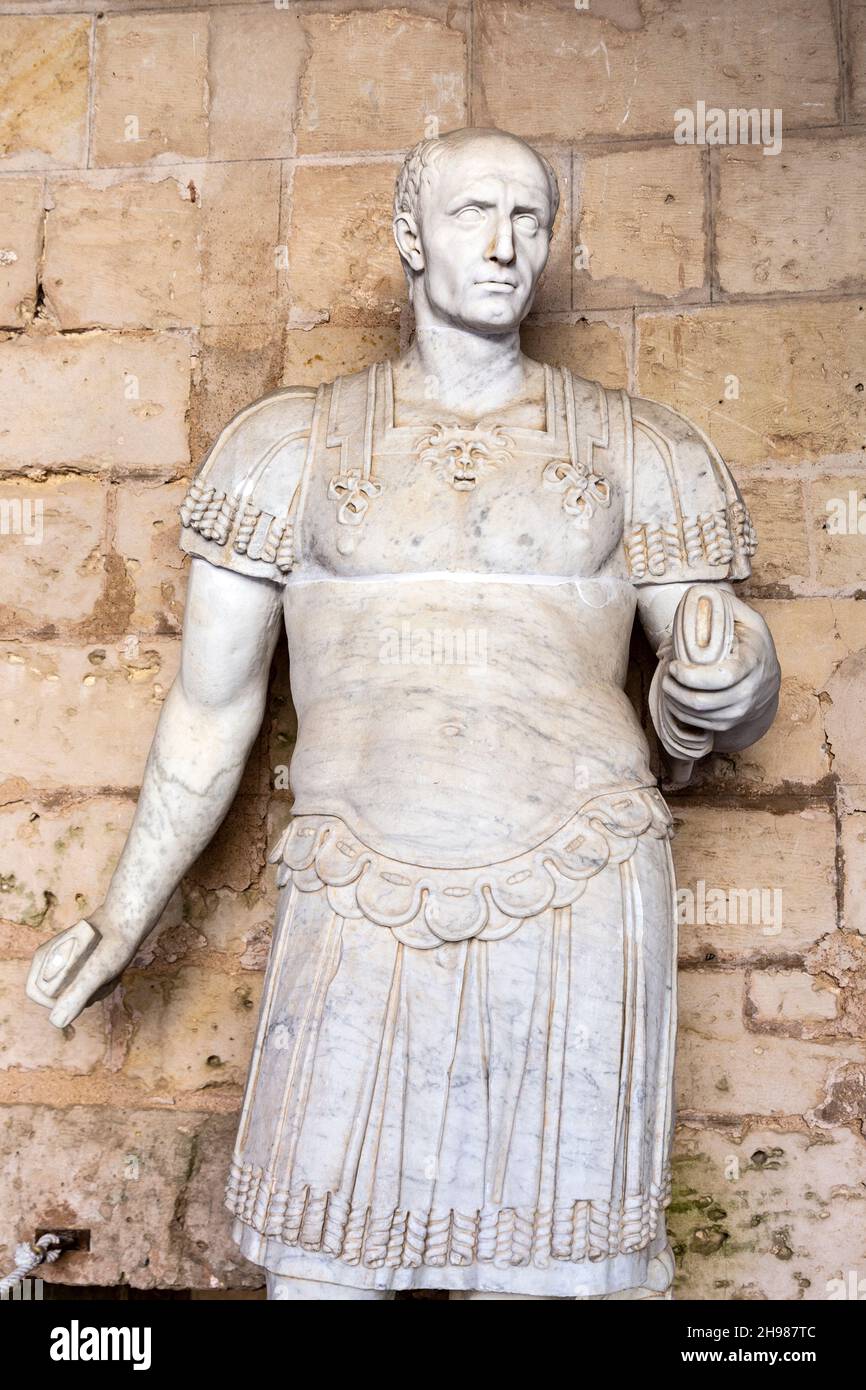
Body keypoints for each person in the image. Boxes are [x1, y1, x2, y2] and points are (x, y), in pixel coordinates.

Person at [27, 127, 780, 1300]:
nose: (503, 245)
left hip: (575, 881)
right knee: (326, 1269)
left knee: (560, 1275)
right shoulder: (290, 447)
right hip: (360, 883)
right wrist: (125, 916)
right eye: (474, 212)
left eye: (529, 219)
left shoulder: (641, 448)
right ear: (408, 238)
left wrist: (731, 681)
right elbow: (209, 706)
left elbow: (721, 666)